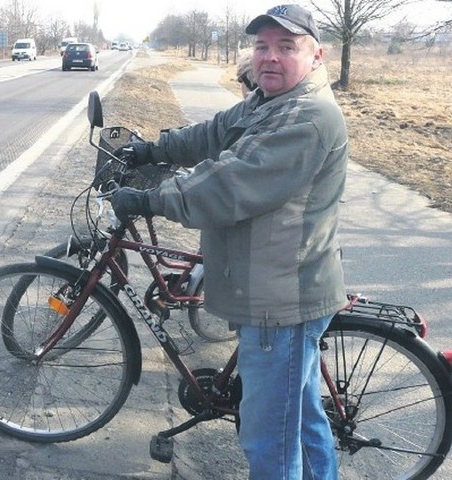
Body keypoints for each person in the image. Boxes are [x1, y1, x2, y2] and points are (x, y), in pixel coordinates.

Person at [110, 4, 348, 479]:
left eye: (287, 46)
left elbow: (229, 183)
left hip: (280, 303)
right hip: (279, 290)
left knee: (268, 441)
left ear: (316, 55)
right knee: (299, 420)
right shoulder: (268, 103)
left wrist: (151, 199)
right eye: (262, 46)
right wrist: (153, 148)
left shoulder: (308, 118)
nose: (270, 57)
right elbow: (214, 133)